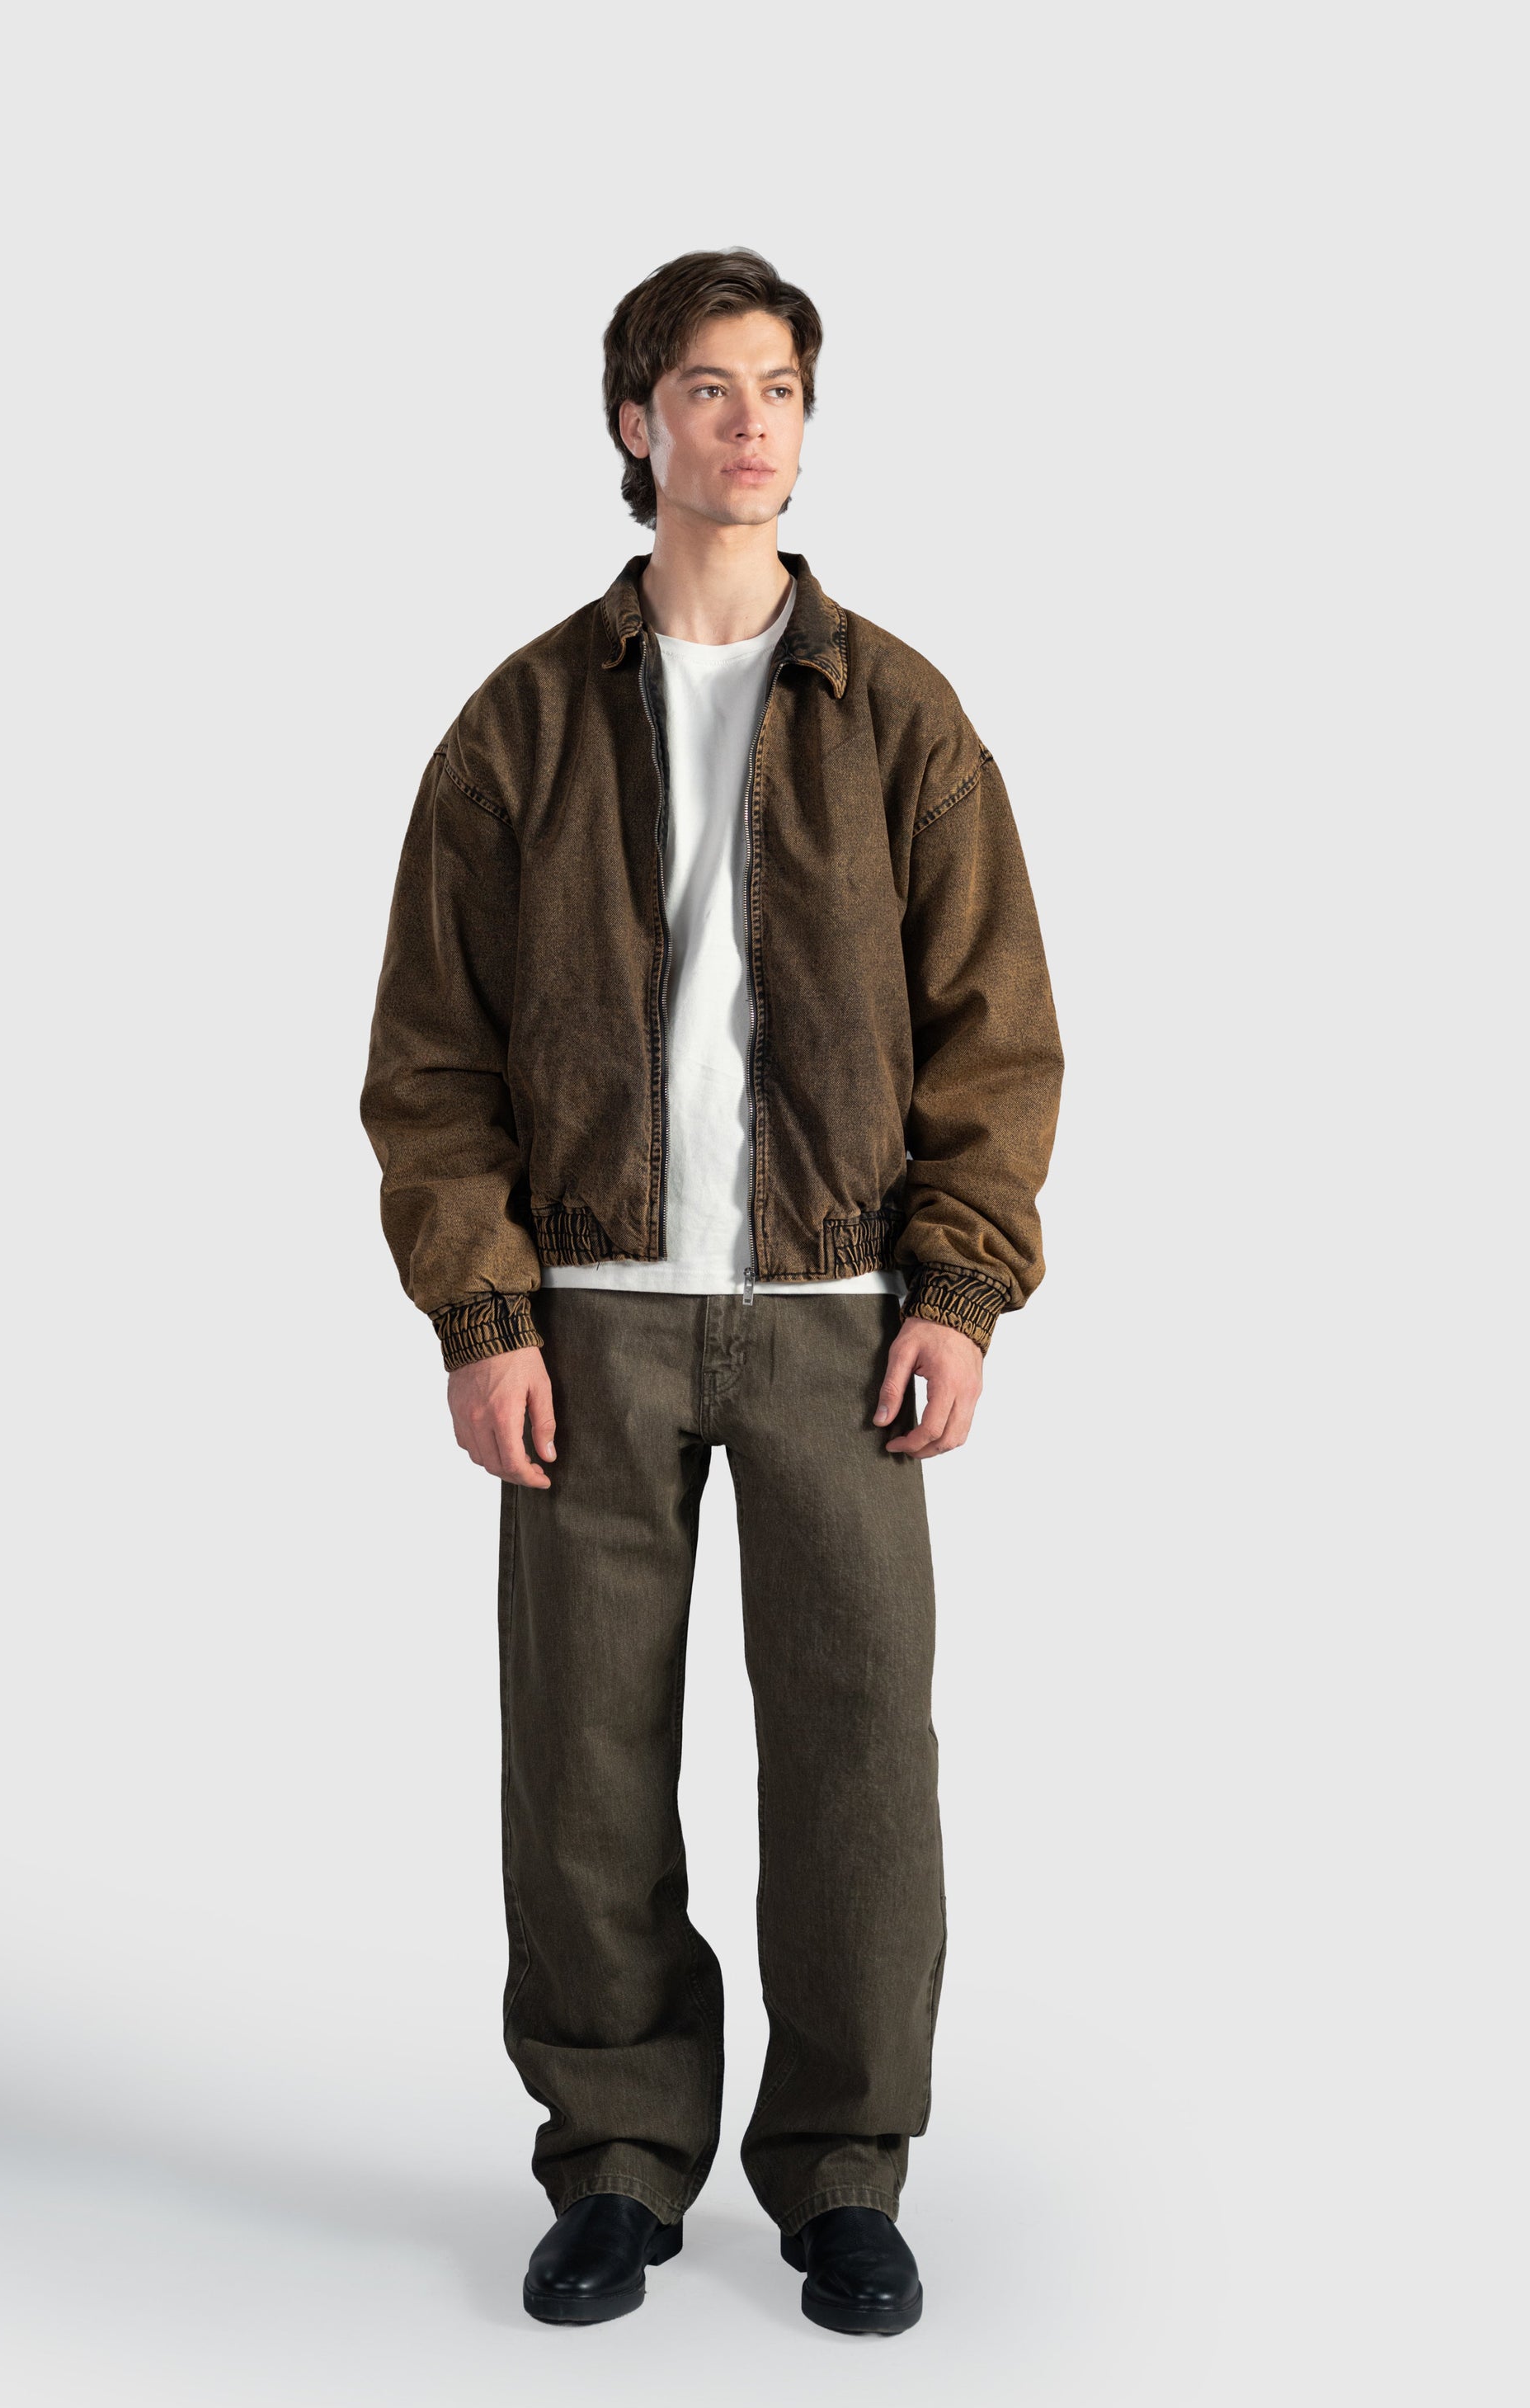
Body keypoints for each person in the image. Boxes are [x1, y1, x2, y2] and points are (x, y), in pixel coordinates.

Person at [360, 247, 1063, 2336]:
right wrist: (484, 1316)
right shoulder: (521, 722)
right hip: (586, 1314)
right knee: (581, 1758)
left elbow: (995, 1030)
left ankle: (843, 2168)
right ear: (632, 421)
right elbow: (431, 1051)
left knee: (858, 1757)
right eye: (705, 386)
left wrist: (957, 1287)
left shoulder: (898, 713)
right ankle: (614, 2158)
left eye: (778, 388)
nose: (748, 422)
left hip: (841, 1308)